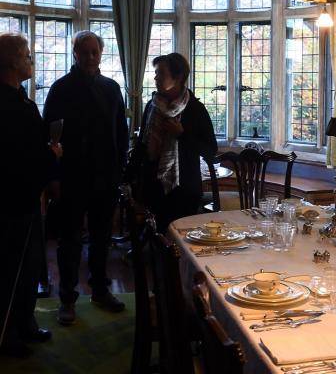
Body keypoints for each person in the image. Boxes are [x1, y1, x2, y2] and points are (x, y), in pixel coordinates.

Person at [43, 30, 128, 326]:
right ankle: (67, 298)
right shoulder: (60, 89)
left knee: (102, 239)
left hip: (105, 178)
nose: (91, 57)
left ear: (101, 53)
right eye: (85, 52)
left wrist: (120, 173)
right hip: (71, 178)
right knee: (69, 241)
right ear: (75, 54)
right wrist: (53, 178)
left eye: (95, 51)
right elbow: (49, 139)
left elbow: (121, 135)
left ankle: (101, 290)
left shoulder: (112, 88)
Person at [0, 33, 61, 357]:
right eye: (26, 55)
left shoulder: (22, 99)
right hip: (11, 202)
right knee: (9, 271)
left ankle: (25, 324)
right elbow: (16, 157)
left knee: (29, 267)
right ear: (11, 61)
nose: (31, 61)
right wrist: (51, 156)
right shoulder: (6, 104)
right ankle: (7, 336)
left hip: (27, 200)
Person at [127, 53, 217, 232]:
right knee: (158, 241)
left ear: (178, 77)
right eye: (156, 73)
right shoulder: (151, 106)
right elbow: (141, 146)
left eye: (160, 73)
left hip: (184, 190)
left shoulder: (195, 110)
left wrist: (182, 134)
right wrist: (128, 178)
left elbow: (210, 150)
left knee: (181, 245)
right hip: (153, 187)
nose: (155, 78)